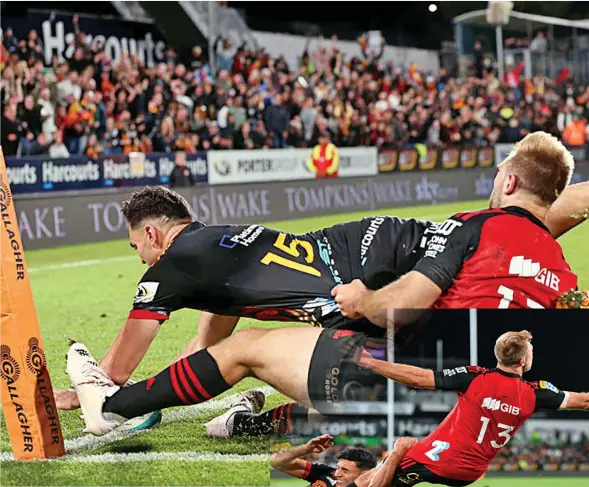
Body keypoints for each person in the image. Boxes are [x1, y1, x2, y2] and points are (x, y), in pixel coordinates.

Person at [55, 173, 589, 412]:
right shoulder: (214, 247)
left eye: (136, 248)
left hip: (358, 274)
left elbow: (119, 368)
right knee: (492, 236)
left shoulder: (170, 267)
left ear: (152, 233)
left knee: (481, 241)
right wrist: (178, 378)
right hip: (363, 243)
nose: (141, 260)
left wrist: (92, 394)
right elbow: (211, 338)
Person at [333, 132, 579, 325]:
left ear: (510, 182)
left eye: (499, 174)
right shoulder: (566, 275)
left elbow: (402, 308)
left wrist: (361, 301)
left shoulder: (472, 225)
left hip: (447, 374)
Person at [354, 330, 589, 486]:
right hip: (472, 472)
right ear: (523, 361)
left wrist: (372, 362)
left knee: (381, 473)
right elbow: (584, 401)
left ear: (498, 355)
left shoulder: (475, 377)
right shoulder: (535, 393)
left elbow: (419, 378)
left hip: (440, 460)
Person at [270, 434, 417, 487]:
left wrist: (397, 453)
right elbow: (277, 462)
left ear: (365, 474)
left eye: (345, 470)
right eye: (338, 467)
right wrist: (306, 449)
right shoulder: (328, 473)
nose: (337, 473)